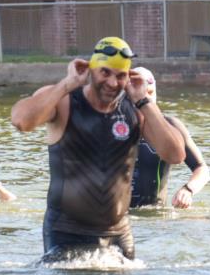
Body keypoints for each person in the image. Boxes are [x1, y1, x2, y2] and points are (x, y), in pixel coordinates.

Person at [10, 37, 185, 260]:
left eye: (120, 76)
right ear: (91, 69)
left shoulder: (134, 108)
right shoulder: (65, 102)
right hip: (67, 231)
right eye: (105, 73)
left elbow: (175, 154)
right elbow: (21, 121)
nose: (112, 83)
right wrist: (66, 83)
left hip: (118, 233)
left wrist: (145, 102)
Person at [129, 67, 210, 208]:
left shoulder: (171, 127)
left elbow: (202, 169)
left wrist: (188, 189)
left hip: (154, 215)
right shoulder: (113, 125)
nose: (145, 98)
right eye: (140, 94)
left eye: (150, 93)